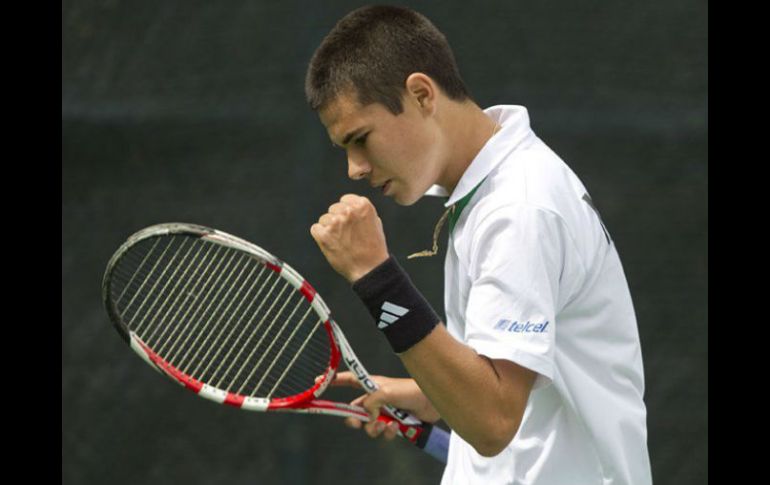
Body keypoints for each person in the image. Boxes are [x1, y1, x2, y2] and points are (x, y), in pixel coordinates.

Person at [305, 5, 652, 485]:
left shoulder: (518, 209)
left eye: (361, 139)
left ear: (421, 94)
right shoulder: (494, 190)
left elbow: (491, 422)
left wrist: (375, 276)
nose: (355, 168)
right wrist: (430, 394)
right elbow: (506, 372)